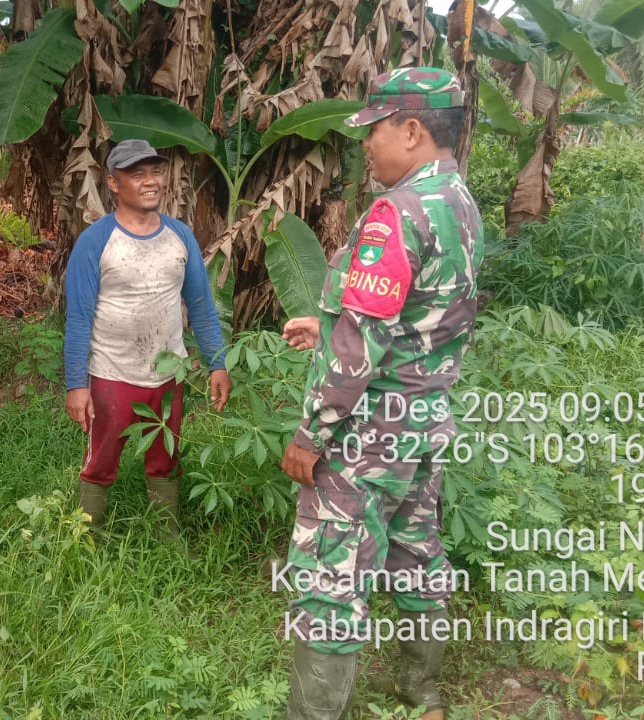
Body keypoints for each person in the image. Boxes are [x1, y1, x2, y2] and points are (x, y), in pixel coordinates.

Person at [278, 68, 484, 720]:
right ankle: (422, 693)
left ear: (414, 130)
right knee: (418, 553)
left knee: (329, 578)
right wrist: (334, 321)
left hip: (369, 432)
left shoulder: (395, 213)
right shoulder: (459, 202)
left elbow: (361, 349)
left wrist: (312, 435)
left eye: (377, 130)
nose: (367, 143)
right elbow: (429, 314)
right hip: (424, 419)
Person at [63, 138, 232, 543]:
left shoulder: (179, 236)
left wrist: (217, 362)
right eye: (137, 174)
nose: (151, 181)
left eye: (155, 171)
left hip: (168, 373)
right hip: (112, 372)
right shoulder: (96, 241)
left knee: (166, 456)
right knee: (101, 458)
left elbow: (201, 305)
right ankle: (89, 540)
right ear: (113, 183)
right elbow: (79, 317)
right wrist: (76, 384)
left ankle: (166, 538)